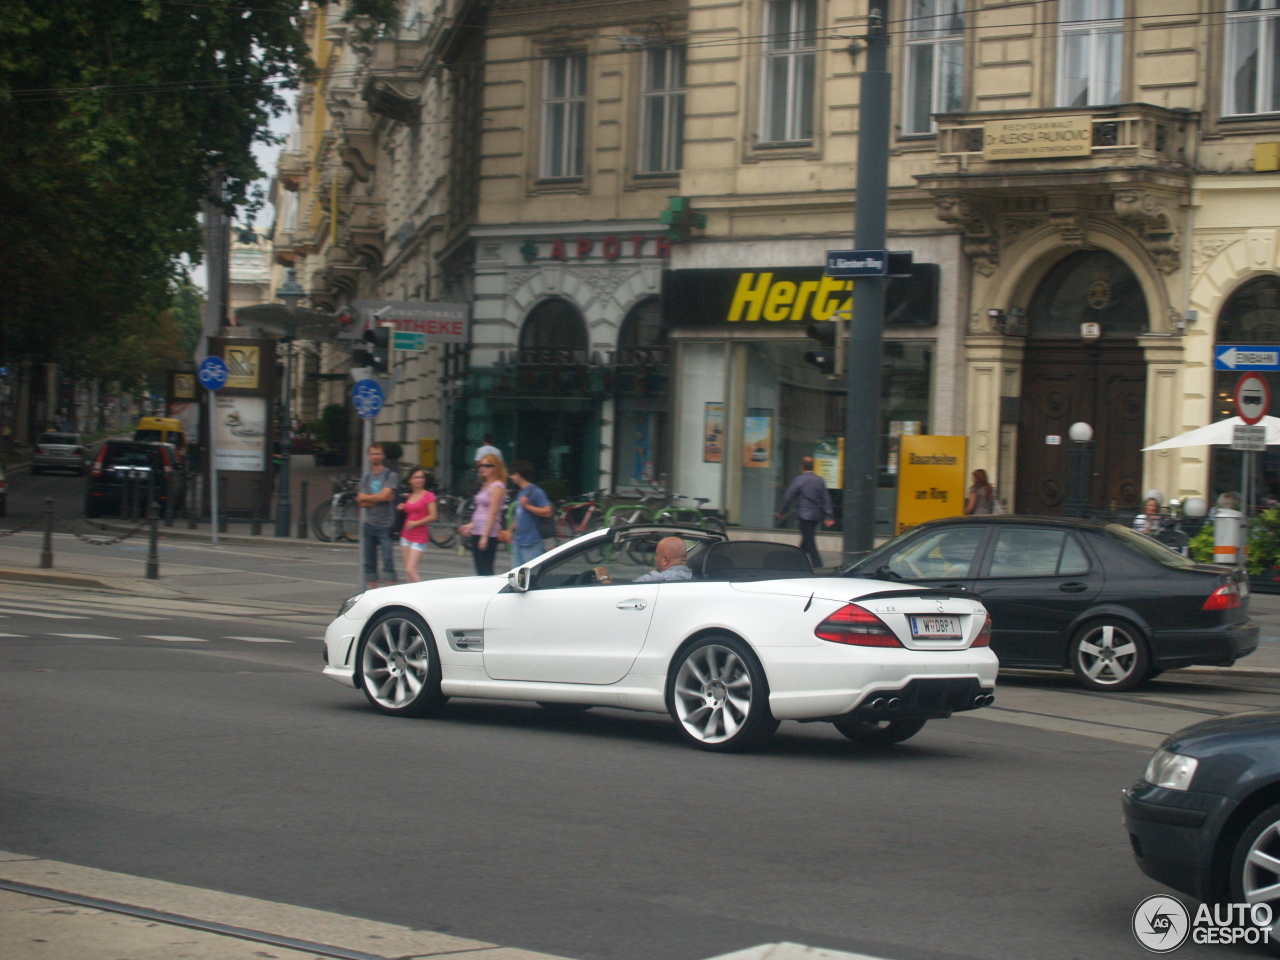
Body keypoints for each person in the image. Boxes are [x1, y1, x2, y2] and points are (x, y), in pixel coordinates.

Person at [776, 456, 834, 569]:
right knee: (807, 539)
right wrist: (828, 516)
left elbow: (788, 496)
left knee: (810, 541)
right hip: (816, 516)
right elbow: (826, 499)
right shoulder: (819, 480)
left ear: (802, 467)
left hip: (804, 515)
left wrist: (781, 511)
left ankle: (818, 566)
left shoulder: (800, 480)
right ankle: (795, 562)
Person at [356, 442, 399, 588]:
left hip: (385, 524)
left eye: (378, 453)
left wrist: (369, 498)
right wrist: (379, 497)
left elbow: (382, 496)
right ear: (369, 456)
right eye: (373, 453)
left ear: (383, 456)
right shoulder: (367, 477)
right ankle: (372, 592)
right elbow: (359, 501)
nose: (376, 456)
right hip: (369, 524)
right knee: (369, 562)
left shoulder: (390, 475)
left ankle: (389, 592)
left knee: (388, 559)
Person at [460, 454, 507, 576]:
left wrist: (485, 536)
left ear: (496, 468)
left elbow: (493, 513)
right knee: (479, 568)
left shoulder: (497, 486)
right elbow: (481, 510)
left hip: (488, 532)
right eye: (481, 465)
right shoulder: (485, 485)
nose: (483, 468)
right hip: (478, 530)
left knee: (485, 568)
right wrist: (471, 525)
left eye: (487, 465)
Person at [500, 460, 553, 568]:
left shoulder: (536, 492)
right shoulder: (521, 492)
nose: (511, 477)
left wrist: (528, 506)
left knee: (530, 576)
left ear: (519, 474)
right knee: (517, 576)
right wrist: (510, 531)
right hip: (518, 541)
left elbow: (548, 512)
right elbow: (519, 516)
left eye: (513, 474)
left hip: (531, 543)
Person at [593, 536, 691, 585]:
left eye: (657, 555)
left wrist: (603, 577)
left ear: (665, 559)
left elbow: (618, 596)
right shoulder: (691, 577)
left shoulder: (656, 579)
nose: (655, 558)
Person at [397, 466, 437, 583]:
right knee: (408, 571)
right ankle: (410, 597)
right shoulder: (409, 496)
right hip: (406, 535)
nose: (419, 480)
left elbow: (433, 516)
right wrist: (402, 507)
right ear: (410, 480)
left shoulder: (429, 495)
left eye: (421, 477)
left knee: (411, 570)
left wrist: (415, 523)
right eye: (416, 477)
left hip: (419, 537)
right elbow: (410, 511)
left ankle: (425, 595)